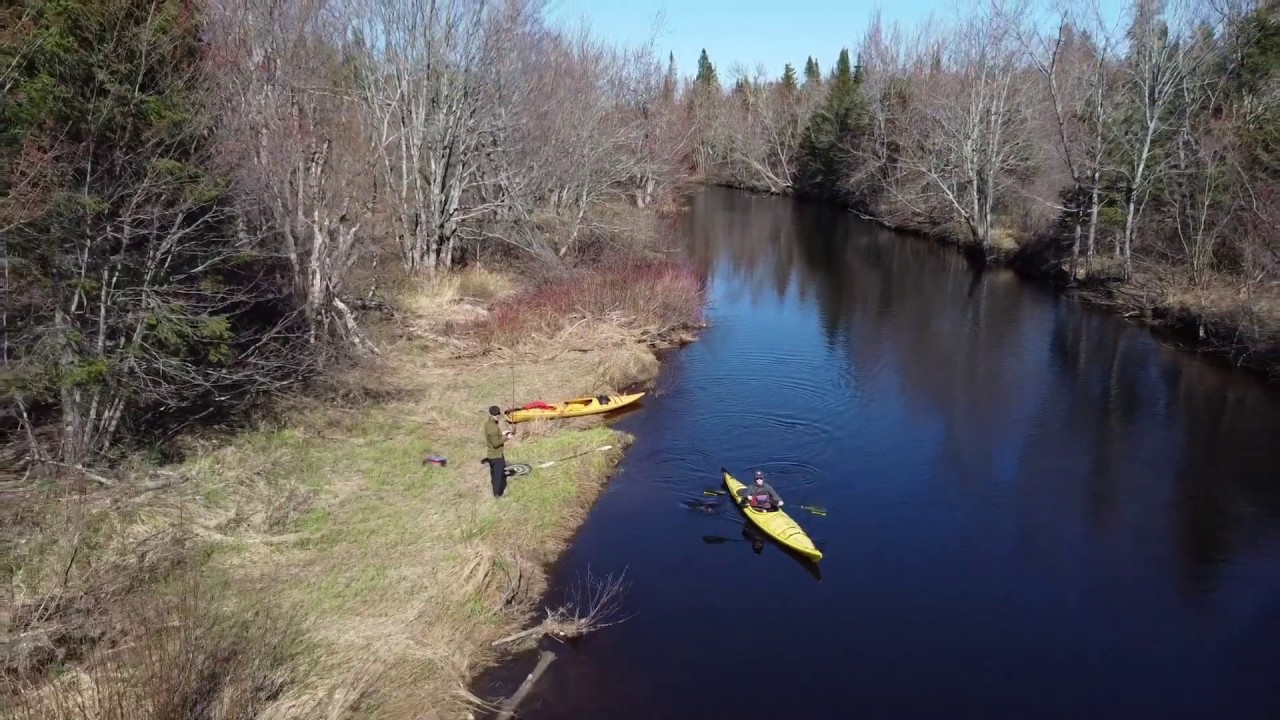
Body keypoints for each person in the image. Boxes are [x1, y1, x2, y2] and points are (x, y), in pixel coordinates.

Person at [482, 405, 515, 497]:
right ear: (491, 415)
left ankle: (496, 490)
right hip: (496, 455)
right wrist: (507, 438)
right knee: (498, 476)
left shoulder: (489, 423)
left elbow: (495, 434)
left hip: (495, 454)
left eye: (498, 415)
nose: (497, 417)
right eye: (496, 415)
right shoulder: (492, 428)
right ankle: (497, 494)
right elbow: (496, 443)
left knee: (495, 473)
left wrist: (502, 433)